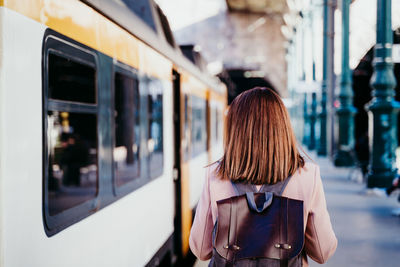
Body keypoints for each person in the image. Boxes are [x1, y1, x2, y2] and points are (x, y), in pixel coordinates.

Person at [189, 87, 337, 266]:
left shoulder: (215, 175)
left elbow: (200, 249)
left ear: (234, 129)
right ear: (283, 127)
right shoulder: (307, 175)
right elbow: (323, 251)